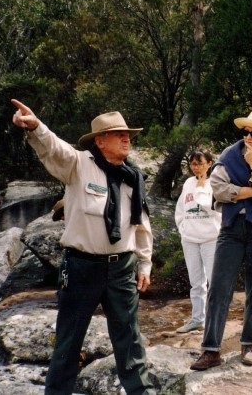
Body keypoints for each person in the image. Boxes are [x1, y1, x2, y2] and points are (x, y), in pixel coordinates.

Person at [10, 99, 155, 395]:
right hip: (81, 267)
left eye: (128, 134)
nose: (127, 138)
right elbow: (53, 148)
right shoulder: (78, 165)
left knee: (130, 340)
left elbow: (140, 225)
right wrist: (36, 126)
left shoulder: (133, 177)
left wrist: (145, 263)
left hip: (122, 268)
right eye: (118, 134)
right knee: (68, 341)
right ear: (100, 141)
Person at [190, 110, 252, 371]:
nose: (248, 138)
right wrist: (251, 191)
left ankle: (249, 344)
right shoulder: (229, 154)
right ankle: (210, 350)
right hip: (232, 227)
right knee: (218, 288)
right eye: (245, 132)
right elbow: (217, 189)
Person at [174, 148, 222, 333]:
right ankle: (197, 319)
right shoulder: (187, 183)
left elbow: (210, 208)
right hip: (190, 239)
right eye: (193, 164)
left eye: (200, 163)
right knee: (196, 282)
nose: (196, 167)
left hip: (211, 238)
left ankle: (214, 321)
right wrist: (182, 228)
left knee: (213, 282)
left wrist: (202, 187)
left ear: (209, 164)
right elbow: (181, 208)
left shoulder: (215, 183)